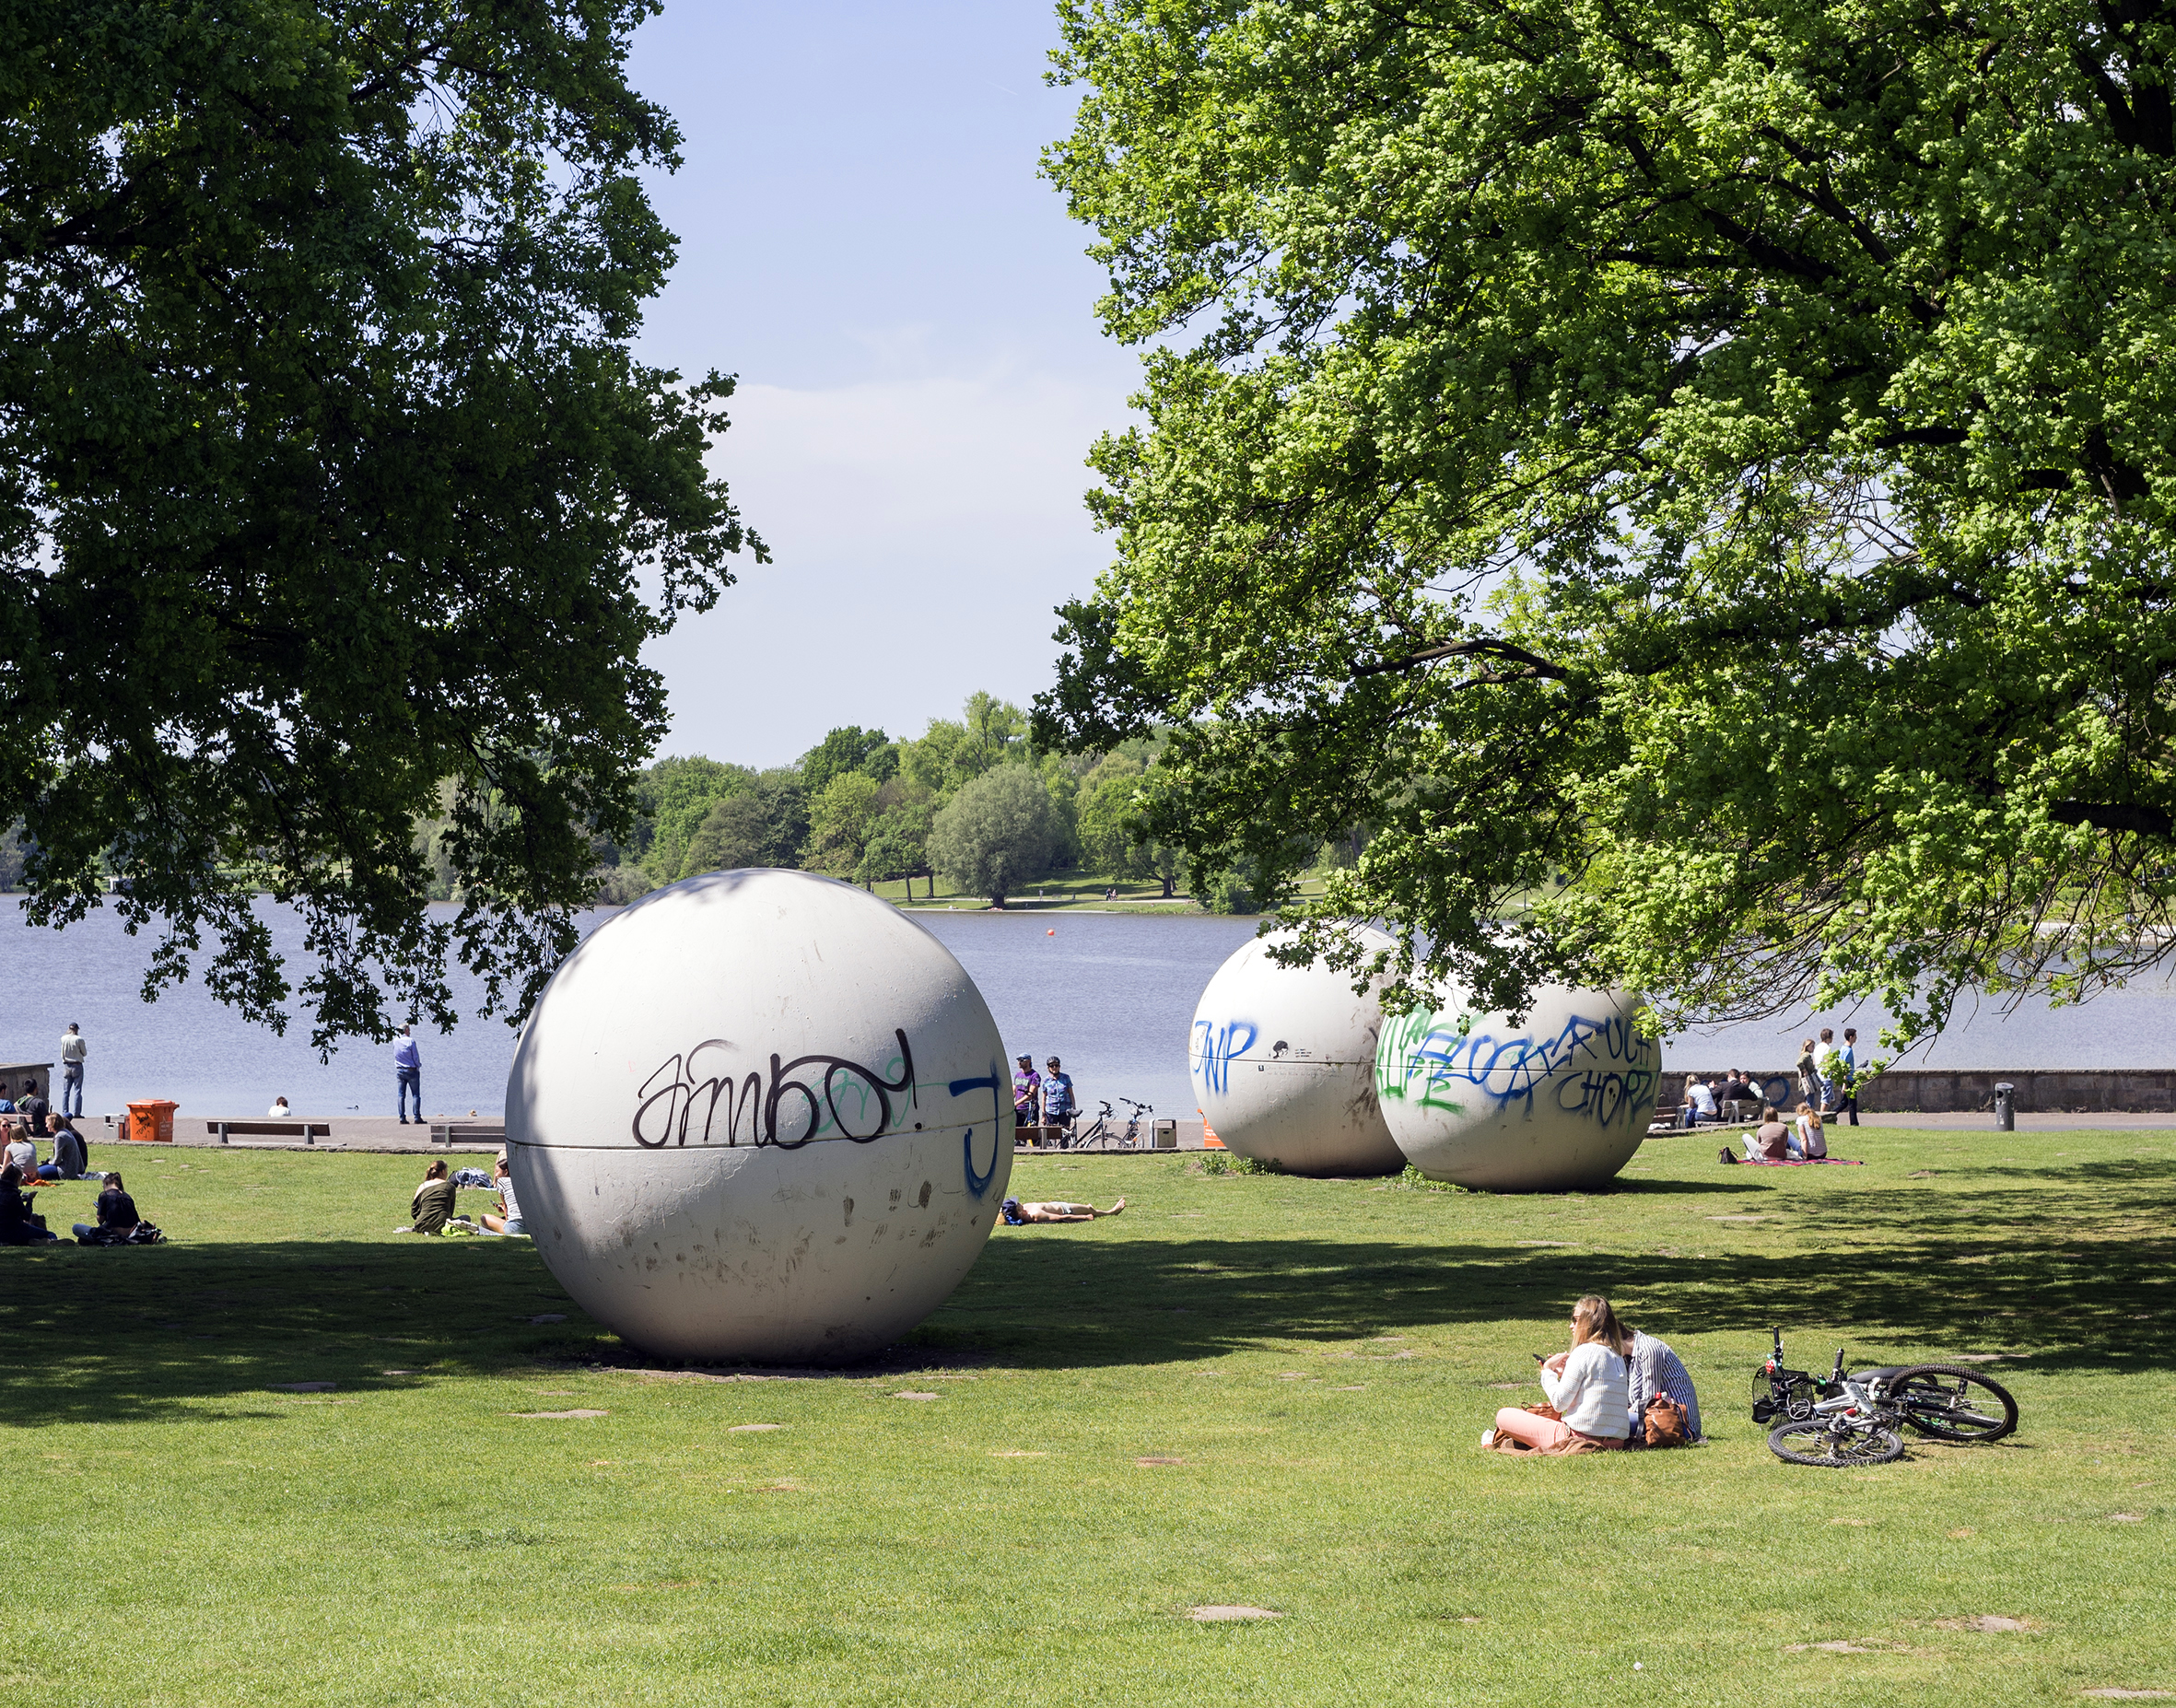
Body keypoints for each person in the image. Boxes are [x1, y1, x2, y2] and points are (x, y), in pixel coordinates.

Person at [1484, 1294, 1632, 1454]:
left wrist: (1547, 1372)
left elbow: (1560, 1403)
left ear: (1588, 1323)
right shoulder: (1616, 1356)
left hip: (1579, 1437)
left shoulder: (1584, 1351)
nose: (1571, 1326)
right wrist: (1565, 1375)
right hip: (1616, 1442)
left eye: (1575, 1320)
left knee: (1504, 1415)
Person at [1624, 1322, 1703, 1443]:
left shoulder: (1649, 1349)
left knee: (1604, 1422)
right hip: (1656, 1415)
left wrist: (1623, 1413)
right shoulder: (1631, 1354)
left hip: (1677, 1424)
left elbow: (1650, 1398)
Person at [72, 1171, 140, 1241]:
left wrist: (101, 1209)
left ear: (106, 1183)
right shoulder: (127, 1196)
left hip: (111, 1234)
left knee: (76, 1227)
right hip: (130, 1234)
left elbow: (100, 1220)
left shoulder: (104, 1195)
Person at [1, 1162, 57, 1243]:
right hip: (14, 1230)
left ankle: (32, 1241)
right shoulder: (13, 1194)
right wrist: (29, 1200)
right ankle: (53, 1242)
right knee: (50, 1234)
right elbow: (26, 1216)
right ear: (17, 1179)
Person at [481, 1152, 526, 1236]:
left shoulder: (502, 1181)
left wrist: (505, 1215)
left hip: (515, 1227)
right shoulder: (523, 1181)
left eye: (497, 1172)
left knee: (484, 1218)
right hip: (532, 1226)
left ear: (506, 1172)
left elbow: (505, 1207)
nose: (496, 1175)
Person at [409, 1159, 457, 1233]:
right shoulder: (449, 1186)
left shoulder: (423, 1186)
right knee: (466, 1218)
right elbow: (450, 1209)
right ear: (443, 1171)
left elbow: (414, 1211)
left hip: (421, 1225)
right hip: (443, 1224)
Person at [1000, 1196, 1125, 1223]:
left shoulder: (1026, 1208)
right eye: (1018, 1205)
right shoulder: (1034, 1215)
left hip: (1057, 1204)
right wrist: (1083, 1217)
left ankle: (1110, 1212)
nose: (1021, 1203)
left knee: (1089, 1208)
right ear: (1019, 1212)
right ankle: (1111, 1212)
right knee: (1089, 1209)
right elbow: (1059, 1218)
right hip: (1066, 1210)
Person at [38, 1114, 87, 1180]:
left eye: (47, 1123)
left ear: (53, 1124)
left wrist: (50, 1163)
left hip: (66, 1171)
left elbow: (57, 1160)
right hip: (73, 1168)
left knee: (37, 1173)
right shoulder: (65, 1131)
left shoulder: (60, 1137)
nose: (46, 1126)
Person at [394, 1025, 423, 1124]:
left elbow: (396, 1054)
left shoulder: (395, 1040)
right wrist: (418, 1066)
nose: (410, 1031)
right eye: (409, 1030)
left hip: (400, 1070)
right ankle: (417, 1117)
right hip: (411, 1070)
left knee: (401, 1095)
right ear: (406, 1030)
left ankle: (402, 1117)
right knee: (415, 1095)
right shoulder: (411, 1041)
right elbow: (415, 1056)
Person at [59, 1023, 87, 1118]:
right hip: (77, 1065)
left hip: (66, 1065)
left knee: (66, 1091)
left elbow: (62, 1054)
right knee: (77, 1091)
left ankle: (64, 1112)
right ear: (77, 1030)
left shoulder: (63, 1039)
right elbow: (84, 1053)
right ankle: (77, 1113)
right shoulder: (79, 1039)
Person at [1041, 1058, 1076, 1133]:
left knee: (1065, 1134)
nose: (1054, 1068)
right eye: (1052, 1066)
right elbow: (1044, 1098)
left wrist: (1074, 1108)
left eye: (1056, 1065)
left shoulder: (1066, 1078)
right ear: (1048, 1068)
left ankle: (1064, 1145)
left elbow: (1071, 1094)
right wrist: (1043, 1115)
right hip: (1051, 1111)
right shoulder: (1046, 1080)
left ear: (1059, 1067)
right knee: (1051, 1134)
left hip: (1065, 1110)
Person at [1836, 1028, 1861, 1126]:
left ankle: (1830, 1114)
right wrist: (1844, 1084)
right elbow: (1845, 1068)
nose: (1856, 1038)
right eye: (1855, 1036)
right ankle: (1854, 1123)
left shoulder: (1843, 1048)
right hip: (1848, 1080)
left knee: (1844, 1103)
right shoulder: (1848, 1051)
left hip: (1845, 1080)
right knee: (1852, 1103)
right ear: (1851, 1037)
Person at [1815, 1027, 1843, 1111]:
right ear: (1828, 1038)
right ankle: (1822, 1118)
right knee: (1826, 1100)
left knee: (1829, 1098)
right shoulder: (1827, 1048)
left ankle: (1827, 1116)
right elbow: (1827, 1062)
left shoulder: (1817, 1047)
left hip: (1818, 1075)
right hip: (1826, 1077)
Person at [1012, 1056, 1042, 1129]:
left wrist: (1016, 1103)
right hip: (1018, 1109)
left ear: (1028, 1061)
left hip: (1030, 1109)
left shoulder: (1034, 1075)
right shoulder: (1017, 1075)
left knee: (1031, 1135)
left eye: (1021, 1060)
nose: (1019, 1062)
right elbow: (1014, 1092)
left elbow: (1030, 1095)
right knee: (1018, 1134)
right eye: (1018, 1060)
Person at [1795, 1037, 1819, 1106]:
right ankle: (1809, 1115)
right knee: (1810, 1102)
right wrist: (1805, 1071)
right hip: (1808, 1082)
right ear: (1807, 1047)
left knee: (1808, 1101)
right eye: (1812, 1046)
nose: (1814, 1048)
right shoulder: (1806, 1055)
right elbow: (1799, 1063)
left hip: (1806, 1082)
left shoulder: (1806, 1055)